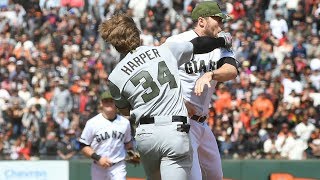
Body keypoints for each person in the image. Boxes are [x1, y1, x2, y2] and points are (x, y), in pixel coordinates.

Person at [98, 14, 231, 180]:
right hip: (173, 131)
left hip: (146, 135)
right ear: (137, 34)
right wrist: (222, 41)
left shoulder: (115, 77)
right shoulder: (163, 51)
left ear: (114, 44)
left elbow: (125, 110)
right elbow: (197, 45)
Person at [166, 1, 239, 180]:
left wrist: (211, 74)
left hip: (202, 123)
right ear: (202, 21)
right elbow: (161, 79)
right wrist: (179, 102)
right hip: (181, 122)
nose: (221, 25)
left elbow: (231, 70)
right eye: (217, 20)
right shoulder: (177, 42)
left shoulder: (221, 43)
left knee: (215, 175)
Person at [78, 91, 133, 180]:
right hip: (98, 166)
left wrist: (132, 154)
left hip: (118, 166)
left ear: (116, 103)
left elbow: (127, 143)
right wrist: (98, 158)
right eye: (105, 101)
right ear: (101, 103)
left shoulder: (125, 123)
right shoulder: (92, 123)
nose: (108, 103)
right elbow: (83, 145)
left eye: (111, 101)